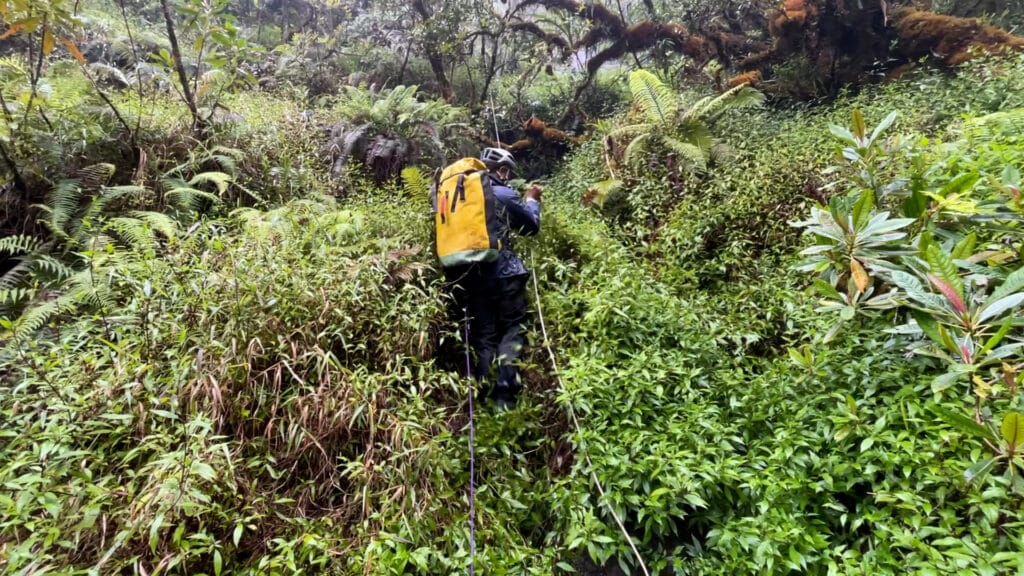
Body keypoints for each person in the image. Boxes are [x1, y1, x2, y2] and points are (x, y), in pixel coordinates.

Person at [447, 147, 542, 410]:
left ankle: (480, 395)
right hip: (505, 275)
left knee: (484, 335)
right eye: (507, 172)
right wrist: (532, 200)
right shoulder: (502, 193)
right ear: (501, 170)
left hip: (472, 276)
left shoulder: (461, 198)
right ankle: (504, 399)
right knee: (513, 329)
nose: (509, 177)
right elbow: (530, 227)